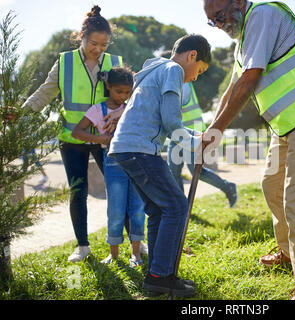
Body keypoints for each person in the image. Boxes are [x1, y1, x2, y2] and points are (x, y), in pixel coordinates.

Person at [203, 0, 295, 300]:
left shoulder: (263, 15)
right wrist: (211, 130)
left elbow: (250, 79)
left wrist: (216, 130)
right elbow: (232, 89)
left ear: (238, 2)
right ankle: (289, 253)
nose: (218, 25)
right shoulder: (241, 42)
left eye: (219, 16)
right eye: (211, 21)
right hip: (286, 123)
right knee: (272, 186)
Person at [20, 6, 146, 262]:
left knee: (119, 188)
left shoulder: (114, 63)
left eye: (103, 44)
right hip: (72, 138)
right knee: (78, 191)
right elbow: (44, 93)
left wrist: (121, 115)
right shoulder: (65, 62)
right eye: (93, 43)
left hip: (109, 140)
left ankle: (135, 243)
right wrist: (21, 113)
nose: (97, 49)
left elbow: (130, 97)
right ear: (81, 36)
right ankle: (83, 246)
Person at [108, 34, 211, 297]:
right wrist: (197, 143)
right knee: (177, 206)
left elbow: (164, 122)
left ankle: (158, 274)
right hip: (139, 149)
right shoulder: (173, 69)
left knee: (157, 209)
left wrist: (196, 137)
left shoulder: (153, 70)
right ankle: (160, 276)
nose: (196, 78)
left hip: (127, 147)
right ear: (192, 56)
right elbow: (171, 122)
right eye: (199, 70)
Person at [72, 67, 146, 267]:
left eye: (127, 92)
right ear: (108, 87)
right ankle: (114, 255)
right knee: (115, 210)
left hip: (137, 159)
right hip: (113, 162)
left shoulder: (133, 106)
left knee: (137, 208)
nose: (123, 96)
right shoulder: (98, 110)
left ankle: (136, 254)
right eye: (118, 91)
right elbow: (77, 132)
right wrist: (100, 138)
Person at [167, 81, 238, 207]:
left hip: (193, 132)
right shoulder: (173, 81)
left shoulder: (183, 83)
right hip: (177, 133)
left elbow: (174, 105)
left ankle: (228, 187)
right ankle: (181, 206)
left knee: (196, 170)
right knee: (173, 172)